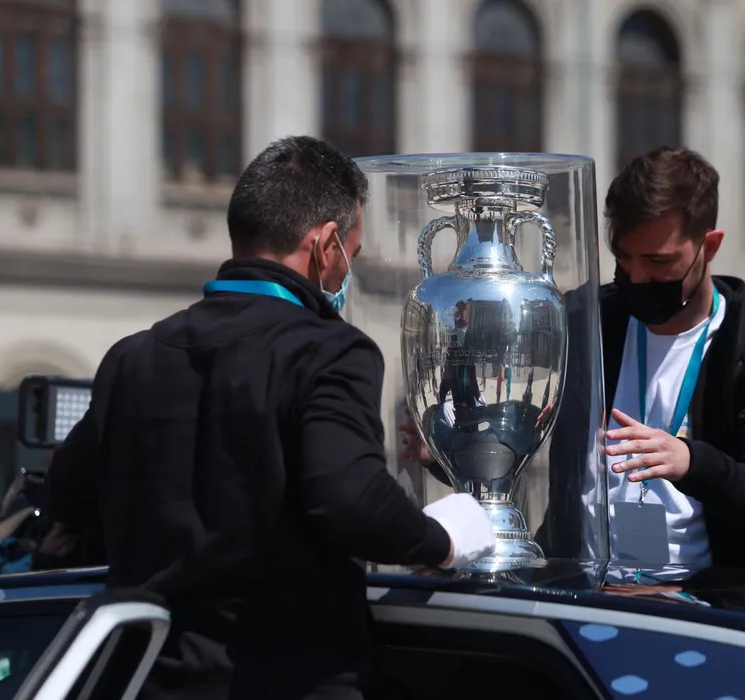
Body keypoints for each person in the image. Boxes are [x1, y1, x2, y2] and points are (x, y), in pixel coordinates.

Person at [46, 135, 496, 700]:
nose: (345, 273)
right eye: (351, 256)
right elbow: (349, 499)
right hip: (287, 678)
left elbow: (67, 498)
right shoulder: (329, 350)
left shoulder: (133, 357)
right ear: (326, 245)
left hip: (150, 680)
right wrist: (443, 539)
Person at [403, 146, 745, 571]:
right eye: (623, 258)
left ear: (709, 247)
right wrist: (448, 451)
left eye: (657, 261)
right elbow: (516, 443)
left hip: (703, 599)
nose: (636, 276)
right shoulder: (583, 321)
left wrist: (691, 462)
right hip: (584, 589)